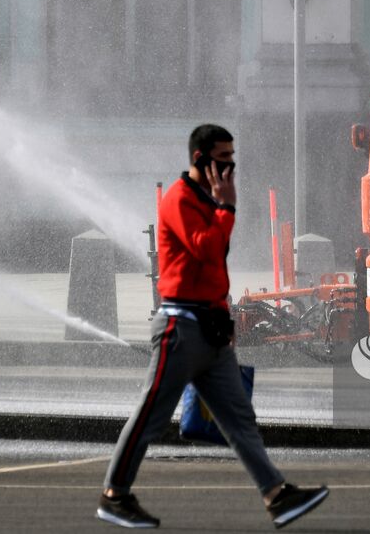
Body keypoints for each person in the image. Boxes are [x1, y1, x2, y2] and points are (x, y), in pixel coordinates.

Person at [98, 124, 329, 529]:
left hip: (211, 331)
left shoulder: (207, 201)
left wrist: (225, 313)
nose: (230, 168)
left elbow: (214, 268)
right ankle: (114, 495)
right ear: (200, 159)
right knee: (151, 414)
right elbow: (207, 247)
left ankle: (276, 495)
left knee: (239, 418)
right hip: (180, 330)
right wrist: (228, 207)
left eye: (232, 160)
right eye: (223, 160)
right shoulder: (180, 200)